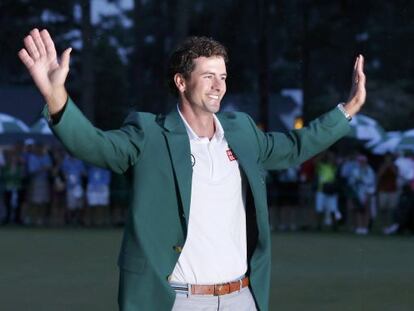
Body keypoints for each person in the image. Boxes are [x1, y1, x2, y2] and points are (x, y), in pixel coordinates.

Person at [18, 28, 366, 311]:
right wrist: (56, 96)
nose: (219, 85)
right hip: (179, 301)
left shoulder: (242, 131)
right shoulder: (149, 134)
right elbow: (93, 145)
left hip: (241, 298)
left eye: (223, 76)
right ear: (181, 82)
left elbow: (294, 146)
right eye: (209, 76)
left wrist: (346, 110)